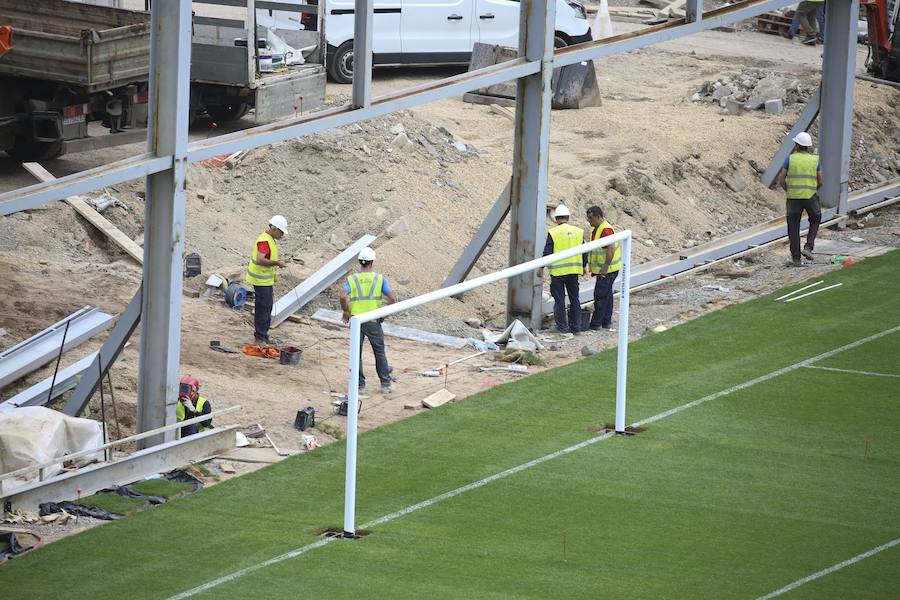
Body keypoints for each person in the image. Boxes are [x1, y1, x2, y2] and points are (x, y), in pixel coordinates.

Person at [340, 247, 398, 393]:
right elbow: (392, 298)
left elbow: (342, 296)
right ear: (372, 261)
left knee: (356, 354)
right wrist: (384, 314)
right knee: (379, 352)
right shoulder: (379, 279)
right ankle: (385, 384)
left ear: (360, 261)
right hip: (373, 320)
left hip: (356, 320)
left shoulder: (352, 279)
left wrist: (346, 311)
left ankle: (359, 386)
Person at [778, 131, 823, 267]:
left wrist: (789, 190)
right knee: (815, 219)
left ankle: (796, 259)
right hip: (810, 196)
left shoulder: (790, 159)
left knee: (793, 226)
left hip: (793, 198)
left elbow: (781, 179)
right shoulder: (815, 160)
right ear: (808, 146)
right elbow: (820, 181)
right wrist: (813, 190)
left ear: (797, 145)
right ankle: (808, 247)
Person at [540, 205, 585, 334]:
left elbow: (547, 252)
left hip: (558, 273)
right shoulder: (578, 231)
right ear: (568, 217)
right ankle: (576, 328)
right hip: (573, 271)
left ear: (556, 218)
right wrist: (584, 266)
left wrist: (541, 267)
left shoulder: (553, 233)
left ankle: (562, 327)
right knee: (574, 299)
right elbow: (584, 251)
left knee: (559, 300)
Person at [245, 216, 288, 344]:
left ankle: (263, 335)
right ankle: (260, 337)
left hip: (265, 281)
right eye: (281, 232)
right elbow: (260, 260)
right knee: (263, 308)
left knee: (267, 308)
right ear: (274, 228)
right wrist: (277, 263)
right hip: (260, 281)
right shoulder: (264, 241)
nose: (282, 235)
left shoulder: (270, 239)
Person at [585, 206, 621, 331]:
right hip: (608, 269)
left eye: (591, 218)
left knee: (600, 295)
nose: (589, 221)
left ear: (598, 217)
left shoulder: (605, 230)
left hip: (607, 269)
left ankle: (596, 323)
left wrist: (604, 268)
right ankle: (606, 321)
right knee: (607, 295)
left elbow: (610, 249)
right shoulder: (598, 229)